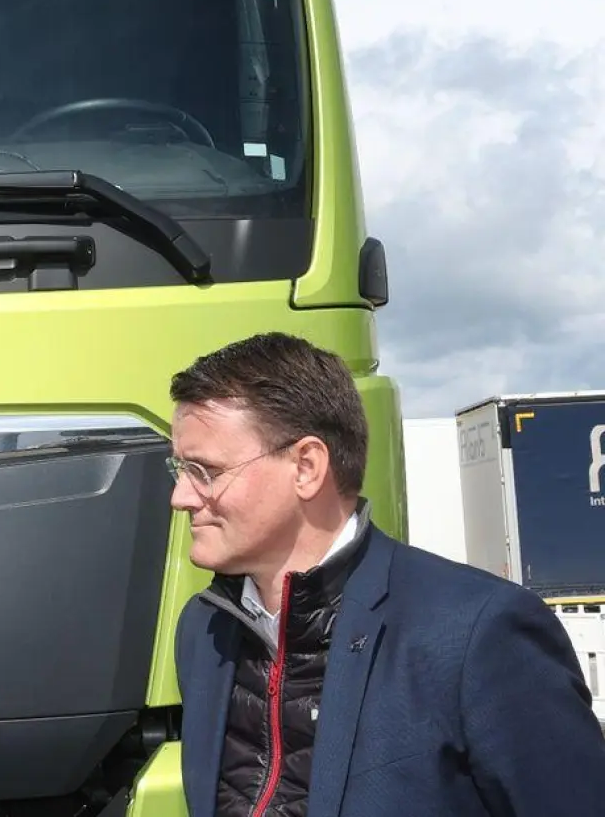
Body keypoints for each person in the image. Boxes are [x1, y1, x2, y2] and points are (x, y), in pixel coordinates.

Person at [168, 332, 605, 817]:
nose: (181, 497)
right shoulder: (204, 631)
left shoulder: (475, 634)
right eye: (179, 469)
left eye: (204, 471)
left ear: (306, 467)